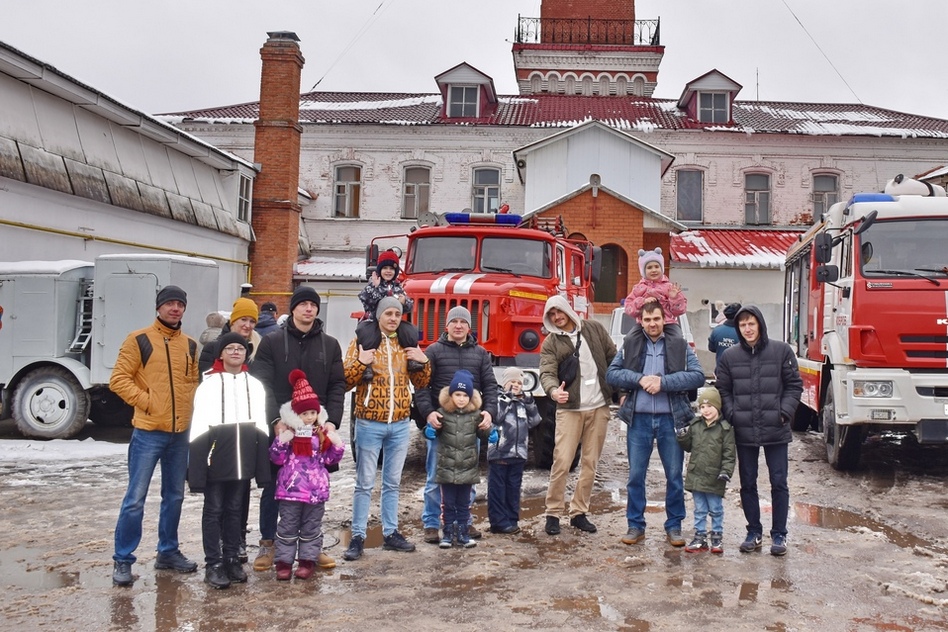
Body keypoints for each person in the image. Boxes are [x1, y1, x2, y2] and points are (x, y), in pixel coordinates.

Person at [249, 286, 346, 572]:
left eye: (312, 304)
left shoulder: (330, 345)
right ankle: (269, 543)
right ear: (292, 309)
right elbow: (262, 384)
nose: (308, 309)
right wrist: (274, 421)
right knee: (273, 487)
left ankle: (311, 547)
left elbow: (337, 385)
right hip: (282, 429)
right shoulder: (272, 342)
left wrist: (331, 421)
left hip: (316, 431)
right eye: (302, 304)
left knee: (313, 491)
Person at [109, 285, 200, 587]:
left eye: (180, 304)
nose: (175, 308)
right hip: (148, 433)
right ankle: (123, 559)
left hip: (180, 434)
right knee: (135, 499)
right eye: (170, 303)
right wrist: (148, 402)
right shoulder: (139, 339)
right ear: (159, 307)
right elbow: (118, 379)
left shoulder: (190, 345)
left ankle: (168, 551)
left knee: (174, 496)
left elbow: (193, 384)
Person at [606, 301, 705, 548]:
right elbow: (612, 373)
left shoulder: (680, 345)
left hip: (670, 420)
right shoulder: (630, 344)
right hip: (638, 421)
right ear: (641, 321)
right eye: (647, 320)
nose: (652, 324)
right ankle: (635, 526)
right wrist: (639, 379)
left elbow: (697, 376)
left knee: (674, 476)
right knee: (635, 476)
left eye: (656, 319)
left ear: (664, 320)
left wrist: (663, 383)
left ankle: (674, 526)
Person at [341, 297, 431, 561]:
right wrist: (361, 362)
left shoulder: (406, 343)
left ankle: (390, 533)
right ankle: (358, 536)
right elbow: (345, 381)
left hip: (400, 425)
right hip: (369, 423)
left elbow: (422, 382)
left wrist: (424, 361)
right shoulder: (361, 342)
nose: (393, 318)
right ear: (379, 315)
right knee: (364, 483)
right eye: (388, 313)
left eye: (397, 314)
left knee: (393, 483)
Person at [715, 305, 802, 557]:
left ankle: (779, 534)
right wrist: (732, 414)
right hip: (744, 430)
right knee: (748, 482)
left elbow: (794, 385)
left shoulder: (781, 351)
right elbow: (723, 389)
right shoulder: (730, 357)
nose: (747, 329)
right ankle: (753, 531)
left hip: (776, 427)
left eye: (751, 323)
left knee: (779, 482)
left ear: (760, 325)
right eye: (743, 325)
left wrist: (784, 413)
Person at [187, 333, 271, 589]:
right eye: (230, 348)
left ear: (246, 354)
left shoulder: (254, 385)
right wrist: (197, 469)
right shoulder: (208, 385)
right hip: (216, 460)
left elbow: (261, 426)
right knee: (214, 511)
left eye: (240, 348)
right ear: (221, 354)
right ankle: (213, 563)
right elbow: (198, 427)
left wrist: (261, 468)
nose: (236, 352)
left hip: (243, 461)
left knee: (236, 510)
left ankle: (232, 558)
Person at [414, 305, 497, 544]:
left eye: (463, 322)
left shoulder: (480, 354)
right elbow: (421, 386)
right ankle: (431, 523)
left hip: (471, 426)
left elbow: (490, 386)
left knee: (468, 476)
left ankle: (464, 522)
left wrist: (489, 412)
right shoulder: (433, 351)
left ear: (469, 327)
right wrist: (428, 413)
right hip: (442, 425)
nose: (458, 326)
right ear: (447, 325)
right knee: (435, 476)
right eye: (454, 322)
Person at [538, 295, 616, 536]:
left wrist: (620, 391)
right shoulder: (551, 342)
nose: (556, 317)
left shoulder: (594, 329)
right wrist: (553, 391)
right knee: (562, 461)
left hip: (599, 407)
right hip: (570, 409)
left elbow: (613, 359)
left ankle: (579, 512)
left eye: (559, 311)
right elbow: (547, 372)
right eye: (551, 315)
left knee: (590, 463)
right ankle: (553, 513)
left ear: (567, 310)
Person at [270, 370, 345, 580]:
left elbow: (330, 460)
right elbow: (276, 458)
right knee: (287, 526)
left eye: (313, 413)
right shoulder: (291, 435)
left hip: (315, 490)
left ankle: (307, 561)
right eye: (305, 414)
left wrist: (337, 445)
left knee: (311, 527)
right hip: (291, 490)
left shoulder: (320, 435)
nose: (309, 417)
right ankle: (284, 562)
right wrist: (281, 442)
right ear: (296, 416)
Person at [429, 370, 489, 548]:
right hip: (447, 467)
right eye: (457, 395)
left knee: (464, 503)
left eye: (465, 395)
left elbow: (483, 432)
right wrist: (429, 430)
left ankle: (463, 533)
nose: (461, 399)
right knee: (447, 503)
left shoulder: (475, 415)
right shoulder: (442, 413)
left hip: (467, 468)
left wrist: (490, 432)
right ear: (451, 395)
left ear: (470, 397)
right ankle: (447, 533)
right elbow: (434, 430)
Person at [676, 386, 735, 554]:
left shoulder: (725, 429)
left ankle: (717, 537)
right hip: (696, 474)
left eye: (710, 406)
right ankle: (700, 537)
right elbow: (688, 447)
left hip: (715, 477)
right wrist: (682, 436)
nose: (706, 410)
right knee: (699, 509)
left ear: (718, 407)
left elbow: (729, 455)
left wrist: (726, 471)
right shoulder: (695, 425)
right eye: (702, 407)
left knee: (716, 509)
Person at [487, 367, 541, 535]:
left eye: (519, 382)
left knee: (513, 488)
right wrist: (507, 398)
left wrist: (529, 402)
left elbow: (535, 421)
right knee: (498, 489)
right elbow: (497, 417)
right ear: (504, 383)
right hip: (500, 452)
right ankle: (498, 522)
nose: (516, 385)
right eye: (512, 382)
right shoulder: (497, 399)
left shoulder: (522, 403)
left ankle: (512, 520)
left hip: (518, 454)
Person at [355, 249, 419, 382]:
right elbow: (367, 301)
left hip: (393, 321)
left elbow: (408, 307)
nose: (388, 271)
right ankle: (367, 366)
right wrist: (376, 288)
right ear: (379, 270)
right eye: (385, 268)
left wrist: (404, 302)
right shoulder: (373, 284)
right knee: (366, 334)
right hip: (374, 320)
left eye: (391, 268)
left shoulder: (398, 287)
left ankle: (411, 360)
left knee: (410, 331)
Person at [623, 247, 687, 341]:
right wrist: (642, 301)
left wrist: (674, 298)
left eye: (657, 266)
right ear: (643, 271)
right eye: (649, 267)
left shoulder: (669, 287)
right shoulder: (638, 288)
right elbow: (628, 308)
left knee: (677, 339)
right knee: (630, 339)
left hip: (668, 324)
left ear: (662, 268)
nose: (654, 270)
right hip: (644, 325)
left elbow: (680, 311)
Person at [199, 297, 261, 374]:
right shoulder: (213, 347)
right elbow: (205, 377)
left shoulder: (257, 348)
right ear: (233, 321)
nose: (248, 325)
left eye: (252, 321)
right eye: (243, 319)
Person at [708, 302, 741, 371]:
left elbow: (711, 348)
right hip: (738, 372)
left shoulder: (716, 330)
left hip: (720, 371)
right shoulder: (743, 332)